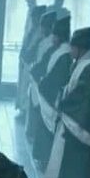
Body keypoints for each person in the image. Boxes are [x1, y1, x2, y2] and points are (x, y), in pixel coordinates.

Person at [43, 26, 90, 178]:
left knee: (78, 152)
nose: (70, 50)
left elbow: (83, 95)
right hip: (75, 114)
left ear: (80, 48)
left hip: (81, 118)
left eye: (72, 47)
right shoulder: (82, 62)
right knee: (70, 152)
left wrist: (63, 103)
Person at [31, 14, 72, 168]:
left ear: (60, 36)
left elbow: (55, 80)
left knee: (49, 127)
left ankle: (47, 159)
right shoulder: (58, 50)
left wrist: (42, 84)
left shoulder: (64, 55)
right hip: (52, 93)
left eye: (55, 35)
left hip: (56, 97)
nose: (52, 38)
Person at [25, 10, 57, 142]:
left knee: (41, 109)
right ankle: (32, 133)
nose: (41, 29)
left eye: (43, 26)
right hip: (36, 78)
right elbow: (28, 57)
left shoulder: (52, 43)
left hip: (43, 80)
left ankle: (37, 136)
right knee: (35, 106)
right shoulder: (42, 40)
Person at [16, 3, 47, 117]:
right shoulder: (32, 29)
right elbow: (26, 44)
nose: (33, 20)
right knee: (22, 85)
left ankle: (25, 109)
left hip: (32, 62)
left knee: (28, 86)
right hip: (26, 60)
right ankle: (22, 107)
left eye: (35, 18)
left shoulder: (41, 33)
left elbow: (35, 48)